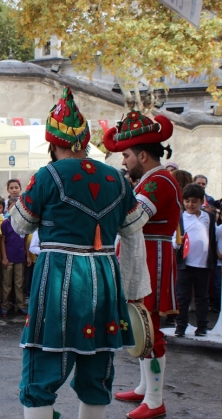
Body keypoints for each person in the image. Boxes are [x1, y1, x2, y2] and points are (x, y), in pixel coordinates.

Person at [11, 88, 150, 419]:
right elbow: (133, 231)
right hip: (105, 278)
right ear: (85, 142)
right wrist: (133, 292)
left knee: (41, 370)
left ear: (53, 143)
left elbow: (19, 223)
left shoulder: (48, 175)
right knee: (97, 368)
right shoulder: (117, 177)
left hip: (59, 275)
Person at [104, 109, 182, 419]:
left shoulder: (158, 181)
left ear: (144, 156)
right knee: (140, 326)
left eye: (126, 155)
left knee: (150, 329)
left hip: (152, 259)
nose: (123, 161)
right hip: (143, 257)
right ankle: (144, 388)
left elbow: (132, 218)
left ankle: (154, 399)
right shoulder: (153, 179)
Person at [174, 184, 217, 337]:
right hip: (185, 264)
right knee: (183, 296)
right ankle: (181, 325)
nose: (190, 205)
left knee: (202, 296)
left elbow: (212, 237)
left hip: (203, 264)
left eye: (194, 201)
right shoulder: (179, 219)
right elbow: (173, 239)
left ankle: (202, 326)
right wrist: (177, 242)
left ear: (201, 201)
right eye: (187, 201)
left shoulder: (209, 217)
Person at [1, 197, 29, 317]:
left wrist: (27, 256)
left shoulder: (24, 224)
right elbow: (2, 241)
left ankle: (21, 305)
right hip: (9, 258)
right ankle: (5, 305)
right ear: (7, 209)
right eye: (11, 207)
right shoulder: (5, 223)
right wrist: (4, 257)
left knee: (19, 283)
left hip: (20, 258)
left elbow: (26, 240)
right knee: (7, 284)